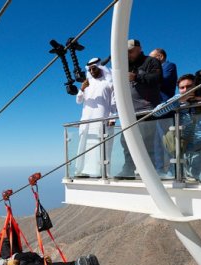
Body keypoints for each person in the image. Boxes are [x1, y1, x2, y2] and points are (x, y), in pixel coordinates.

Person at [116, 39, 164, 179]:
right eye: (126, 52)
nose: (128, 54)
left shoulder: (151, 61)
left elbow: (158, 78)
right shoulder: (126, 64)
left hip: (146, 109)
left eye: (130, 51)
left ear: (139, 48)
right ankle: (129, 170)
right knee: (126, 141)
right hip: (129, 111)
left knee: (148, 141)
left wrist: (136, 76)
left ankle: (150, 171)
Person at [74, 57, 116, 178]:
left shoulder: (108, 83)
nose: (92, 71)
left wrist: (112, 118)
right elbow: (78, 100)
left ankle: (103, 172)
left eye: (94, 69)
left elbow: (113, 103)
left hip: (102, 120)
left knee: (103, 146)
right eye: (90, 69)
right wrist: (82, 89)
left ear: (100, 68)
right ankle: (81, 171)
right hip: (86, 120)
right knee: (84, 145)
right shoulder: (87, 83)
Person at [150, 48, 178, 177]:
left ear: (160, 56)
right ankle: (159, 169)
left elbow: (161, 81)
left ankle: (173, 170)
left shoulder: (169, 66)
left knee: (168, 141)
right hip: (156, 109)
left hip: (166, 109)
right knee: (157, 142)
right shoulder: (156, 70)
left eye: (152, 58)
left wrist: (146, 77)